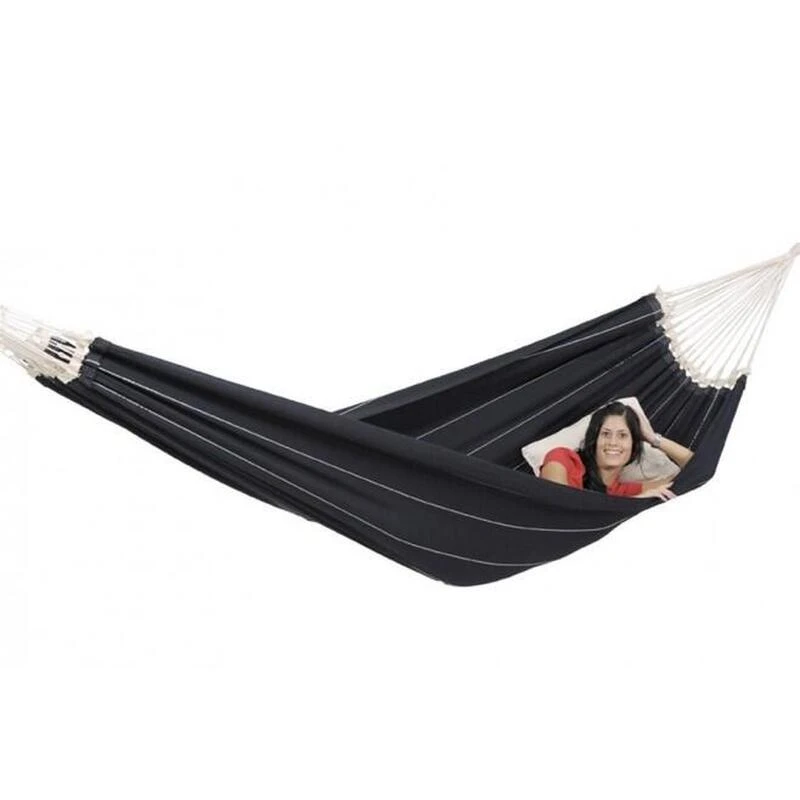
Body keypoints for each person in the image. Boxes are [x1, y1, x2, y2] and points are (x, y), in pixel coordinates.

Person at [539, 401, 694, 501]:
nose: (613, 443)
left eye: (622, 435)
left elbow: (697, 472)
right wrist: (637, 501)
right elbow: (560, 508)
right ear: (594, 439)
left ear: (633, 445)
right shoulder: (563, 459)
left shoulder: (624, 492)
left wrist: (654, 439)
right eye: (606, 434)